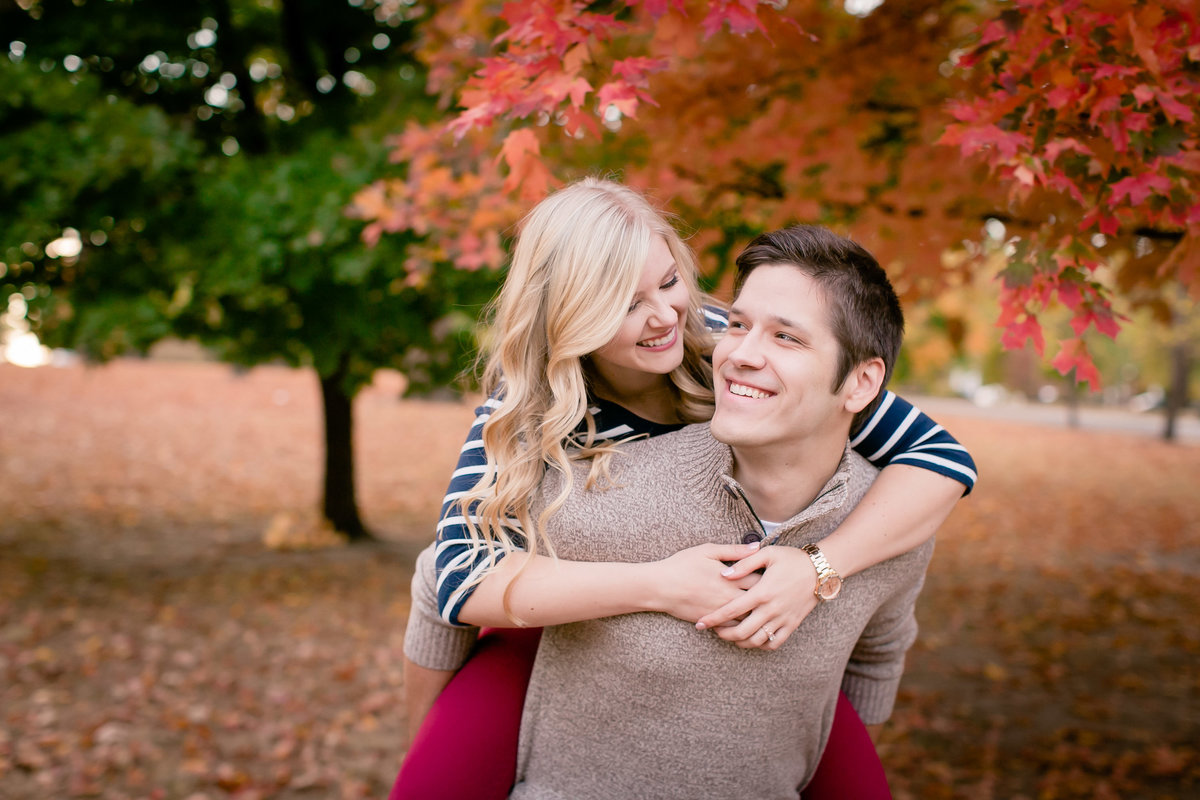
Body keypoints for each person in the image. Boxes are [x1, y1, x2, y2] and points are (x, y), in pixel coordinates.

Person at [393, 180, 975, 797]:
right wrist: (659, 584)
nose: (666, 316)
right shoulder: (528, 414)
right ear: (566, 314)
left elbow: (941, 458)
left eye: (669, 281)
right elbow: (454, 575)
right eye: (625, 303)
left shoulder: (727, 337)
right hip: (547, 617)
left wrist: (815, 568)